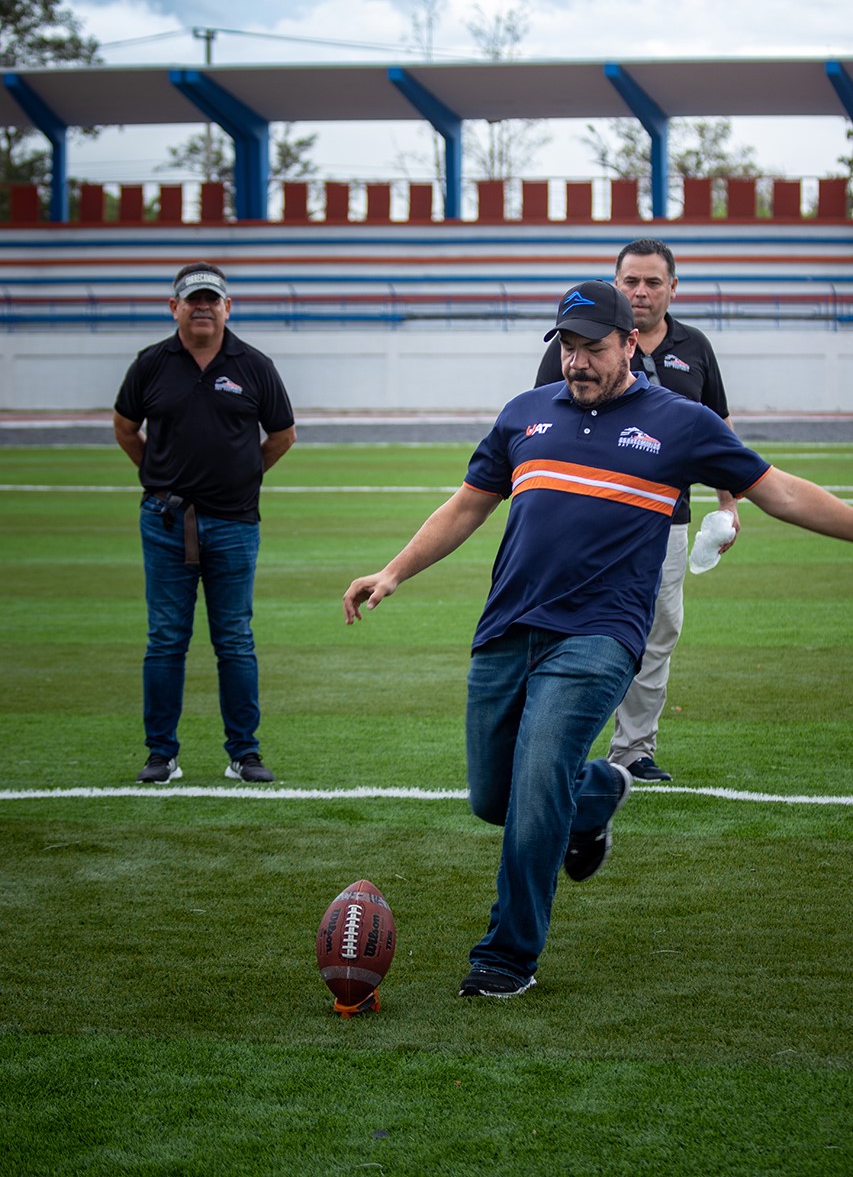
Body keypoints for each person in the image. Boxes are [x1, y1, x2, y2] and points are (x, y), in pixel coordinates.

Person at [342, 280, 853, 999]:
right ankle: (598, 789)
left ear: (630, 345)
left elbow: (778, 491)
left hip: (598, 636)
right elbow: (465, 505)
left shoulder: (681, 422)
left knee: (535, 786)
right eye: (568, 348)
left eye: (593, 348)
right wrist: (393, 571)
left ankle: (506, 956)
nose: (577, 362)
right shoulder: (524, 415)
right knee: (496, 797)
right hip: (505, 629)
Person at [535, 238, 737, 782]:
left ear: (673, 287)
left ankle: (632, 751)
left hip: (664, 522)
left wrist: (727, 502)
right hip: (584, 523)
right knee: (570, 630)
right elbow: (539, 431)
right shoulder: (573, 348)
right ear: (616, 283)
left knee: (657, 632)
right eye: (631, 281)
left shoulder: (694, 346)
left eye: (653, 282)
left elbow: (719, 430)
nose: (641, 292)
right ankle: (556, 745)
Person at [114, 261, 297, 784]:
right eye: (191, 299)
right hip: (165, 521)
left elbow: (283, 435)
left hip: (235, 522)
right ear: (174, 307)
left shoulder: (254, 365)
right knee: (165, 638)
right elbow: (126, 429)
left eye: (211, 300)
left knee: (235, 638)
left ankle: (244, 753)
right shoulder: (151, 365)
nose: (201, 307)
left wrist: (239, 477)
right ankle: (160, 754)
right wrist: (160, 478)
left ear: (227, 308)